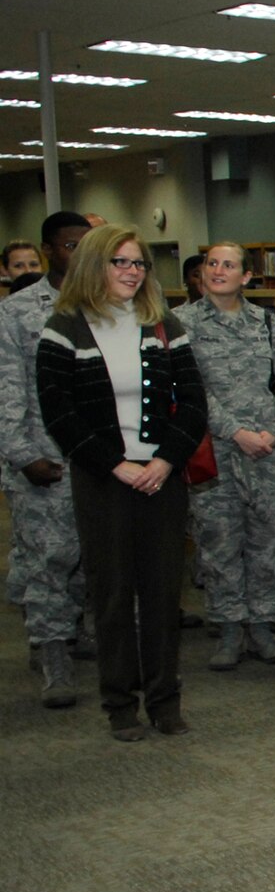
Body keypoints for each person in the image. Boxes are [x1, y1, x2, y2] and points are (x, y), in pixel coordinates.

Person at [36, 224, 209, 740]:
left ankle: (164, 699)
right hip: (104, 479)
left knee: (162, 593)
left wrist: (164, 461)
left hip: (161, 477)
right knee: (112, 594)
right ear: (94, 265)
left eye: (138, 264)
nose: (132, 272)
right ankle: (119, 704)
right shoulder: (63, 328)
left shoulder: (162, 323)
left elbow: (194, 402)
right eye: (121, 263)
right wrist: (116, 463)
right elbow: (59, 414)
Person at [176, 242, 275, 670]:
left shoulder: (266, 323)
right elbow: (184, 390)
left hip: (268, 449)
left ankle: (263, 623)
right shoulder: (181, 323)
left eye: (229, 265)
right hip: (216, 450)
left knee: (267, 541)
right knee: (219, 542)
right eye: (212, 263)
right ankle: (229, 627)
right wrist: (236, 431)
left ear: (246, 277)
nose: (218, 270)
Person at [0, 210, 94, 707]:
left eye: (87, 244)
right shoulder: (18, 312)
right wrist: (21, 455)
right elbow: (8, 391)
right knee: (48, 561)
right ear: (49, 252)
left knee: (89, 558)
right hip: (44, 458)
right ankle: (53, 655)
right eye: (69, 245)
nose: (78, 254)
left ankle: (76, 633)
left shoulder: (105, 305)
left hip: (97, 459)